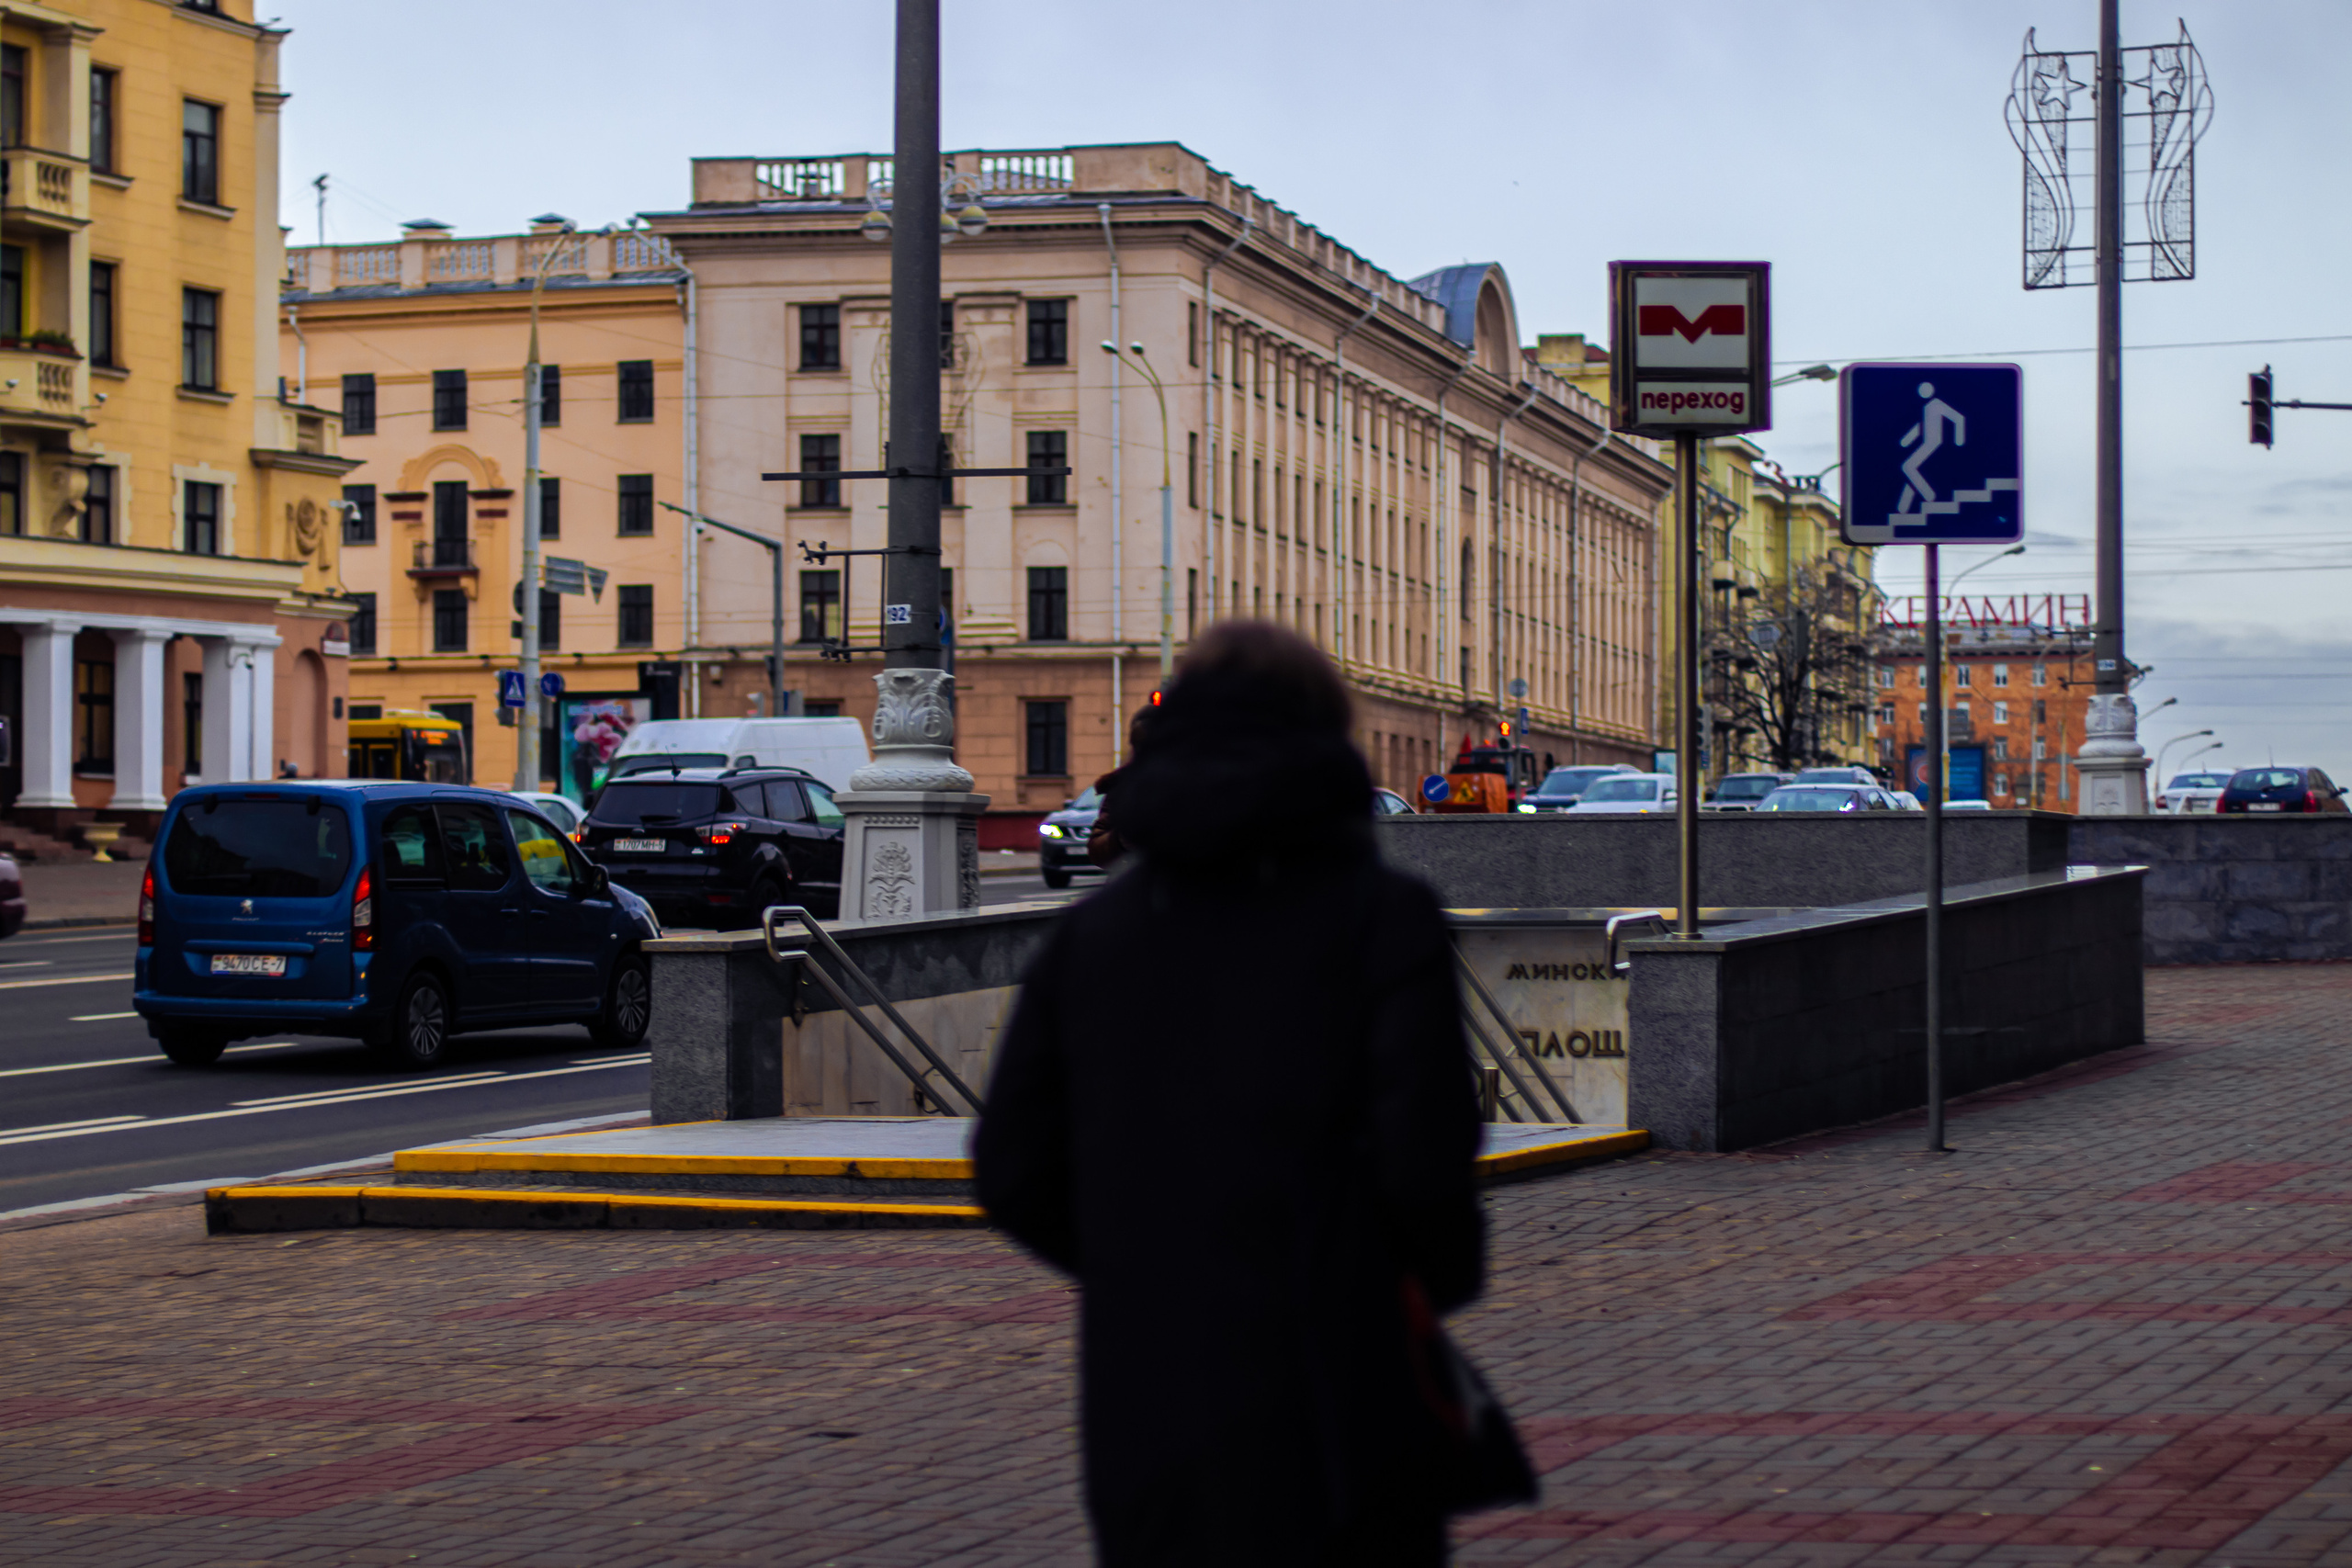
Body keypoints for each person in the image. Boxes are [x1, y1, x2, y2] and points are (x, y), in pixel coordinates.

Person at [976, 621, 1485, 1567]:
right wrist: (1411, 1277)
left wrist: (1144, 1265)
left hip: (1155, 1402)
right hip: (1348, 1392)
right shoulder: (1385, 918)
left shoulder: (1093, 938)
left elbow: (1011, 1167)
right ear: (1327, 736)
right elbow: (1428, 1154)